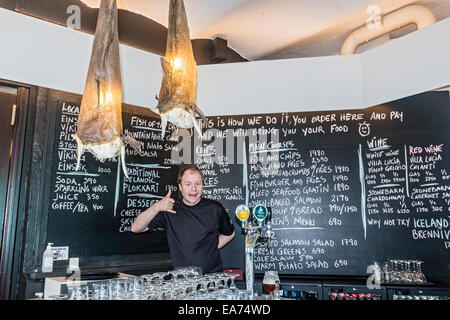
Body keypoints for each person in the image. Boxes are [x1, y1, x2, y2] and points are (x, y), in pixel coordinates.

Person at [131, 164, 235, 274]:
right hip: (182, 281)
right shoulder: (170, 209)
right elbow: (136, 228)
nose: (193, 189)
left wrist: (211, 248)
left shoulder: (215, 208)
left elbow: (229, 234)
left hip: (212, 278)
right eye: (188, 184)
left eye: (198, 184)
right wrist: (157, 207)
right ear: (180, 187)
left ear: (202, 186)